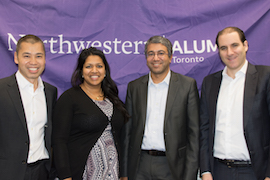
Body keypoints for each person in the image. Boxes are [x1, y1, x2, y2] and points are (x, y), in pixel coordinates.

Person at [121, 36, 200, 180]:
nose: (155, 58)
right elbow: (127, 132)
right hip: (140, 164)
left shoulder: (187, 85)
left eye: (161, 53)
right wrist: (124, 173)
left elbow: (194, 135)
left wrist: (190, 176)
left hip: (172, 166)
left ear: (170, 57)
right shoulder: (134, 87)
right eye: (151, 54)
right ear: (146, 58)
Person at [200, 27, 270, 180]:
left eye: (234, 45)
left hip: (255, 172)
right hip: (218, 171)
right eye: (223, 48)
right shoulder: (210, 82)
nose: (230, 53)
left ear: (245, 45)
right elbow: (204, 129)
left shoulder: (265, 77)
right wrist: (205, 171)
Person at [52, 47, 129, 180]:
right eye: (88, 66)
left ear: (105, 71)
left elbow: (120, 138)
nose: (94, 71)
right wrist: (65, 176)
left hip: (113, 173)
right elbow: (59, 141)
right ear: (81, 71)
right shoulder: (69, 98)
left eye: (99, 66)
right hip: (81, 173)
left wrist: (123, 174)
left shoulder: (113, 98)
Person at [0, 34, 57, 179]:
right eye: (27, 56)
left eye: (38, 56)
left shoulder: (50, 92)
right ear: (16, 58)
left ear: (44, 59)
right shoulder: (2, 89)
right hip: (8, 173)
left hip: (42, 171)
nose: (33, 62)